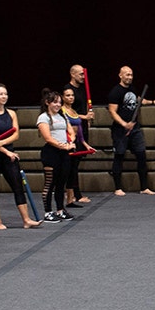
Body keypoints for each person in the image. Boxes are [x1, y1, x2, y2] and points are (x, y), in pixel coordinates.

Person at [0, 84, 41, 229]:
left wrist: (3, 143)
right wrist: (6, 152)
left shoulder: (12, 113)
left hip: (9, 153)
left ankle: (26, 219)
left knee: (17, 185)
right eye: (0, 94)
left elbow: (16, 134)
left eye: (5, 94)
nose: (4, 97)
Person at [107, 66, 155, 196]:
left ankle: (144, 187)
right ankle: (118, 188)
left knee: (141, 155)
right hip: (120, 130)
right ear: (120, 75)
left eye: (131, 75)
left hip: (135, 129)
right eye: (127, 75)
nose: (130, 77)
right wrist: (124, 124)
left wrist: (152, 102)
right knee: (119, 156)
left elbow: (137, 99)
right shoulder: (115, 92)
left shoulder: (132, 88)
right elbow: (112, 111)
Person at [36, 89, 75, 223]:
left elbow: (70, 131)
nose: (58, 105)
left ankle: (60, 209)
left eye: (59, 102)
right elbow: (48, 138)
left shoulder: (62, 116)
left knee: (61, 183)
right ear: (47, 103)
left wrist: (71, 142)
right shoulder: (44, 117)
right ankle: (48, 212)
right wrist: (63, 146)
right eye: (55, 102)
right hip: (51, 153)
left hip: (63, 153)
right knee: (50, 183)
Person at [60, 64, 95, 207]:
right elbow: (68, 113)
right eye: (80, 74)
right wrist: (85, 117)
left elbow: (80, 111)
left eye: (83, 74)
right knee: (72, 165)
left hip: (81, 129)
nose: (83, 77)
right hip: (71, 131)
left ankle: (73, 194)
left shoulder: (81, 89)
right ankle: (74, 194)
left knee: (76, 164)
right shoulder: (67, 89)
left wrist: (88, 120)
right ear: (72, 74)